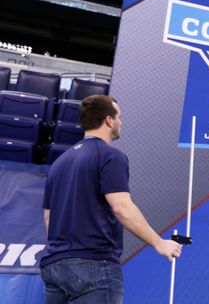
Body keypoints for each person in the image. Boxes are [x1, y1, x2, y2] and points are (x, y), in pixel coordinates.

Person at [40, 95, 182, 303]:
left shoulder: (60, 163)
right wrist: (159, 243)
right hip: (94, 266)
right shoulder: (110, 156)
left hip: (54, 266)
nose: (121, 122)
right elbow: (121, 207)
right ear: (109, 120)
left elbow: (48, 218)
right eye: (120, 117)